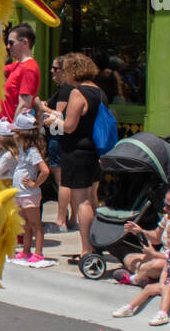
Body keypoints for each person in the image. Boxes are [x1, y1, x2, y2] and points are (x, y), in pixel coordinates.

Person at [40, 51, 105, 259]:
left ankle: (87, 249)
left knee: (81, 202)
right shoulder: (98, 91)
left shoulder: (78, 93)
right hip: (92, 150)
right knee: (91, 199)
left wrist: (51, 122)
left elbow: (69, 126)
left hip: (76, 151)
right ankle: (94, 245)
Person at [111, 220, 170, 326]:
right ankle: (130, 308)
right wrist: (162, 283)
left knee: (167, 289)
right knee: (149, 288)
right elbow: (165, 270)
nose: (167, 239)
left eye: (169, 237)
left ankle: (163, 314)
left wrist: (169, 285)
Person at [9, 112, 51, 264]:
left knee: (35, 224)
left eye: (16, 131)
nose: (13, 134)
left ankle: (38, 252)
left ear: (22, 134)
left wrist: (35, 184)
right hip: (20, 193)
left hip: (29, 193)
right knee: (25, 224)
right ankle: (26, 251)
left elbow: (45, 170)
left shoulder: (32, 151)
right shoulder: (23, 149)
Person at [38, 56, 73, 233]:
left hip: (57, 138)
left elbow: (59, 117)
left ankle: (61, 221)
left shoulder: (66, 89)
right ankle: (69, 218)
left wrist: (41, 106)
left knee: (61, 180)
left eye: (56, 68)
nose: (52, 71)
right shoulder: (66, 89)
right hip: (58, 138)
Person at [0, 23, 39, 121]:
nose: (8, 46)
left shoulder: (29, 69)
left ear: (25, 42)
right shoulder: (17, 65)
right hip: (3, 128)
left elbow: (23, 106)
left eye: (11, 43)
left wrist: (13, 130)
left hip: (9, 132)